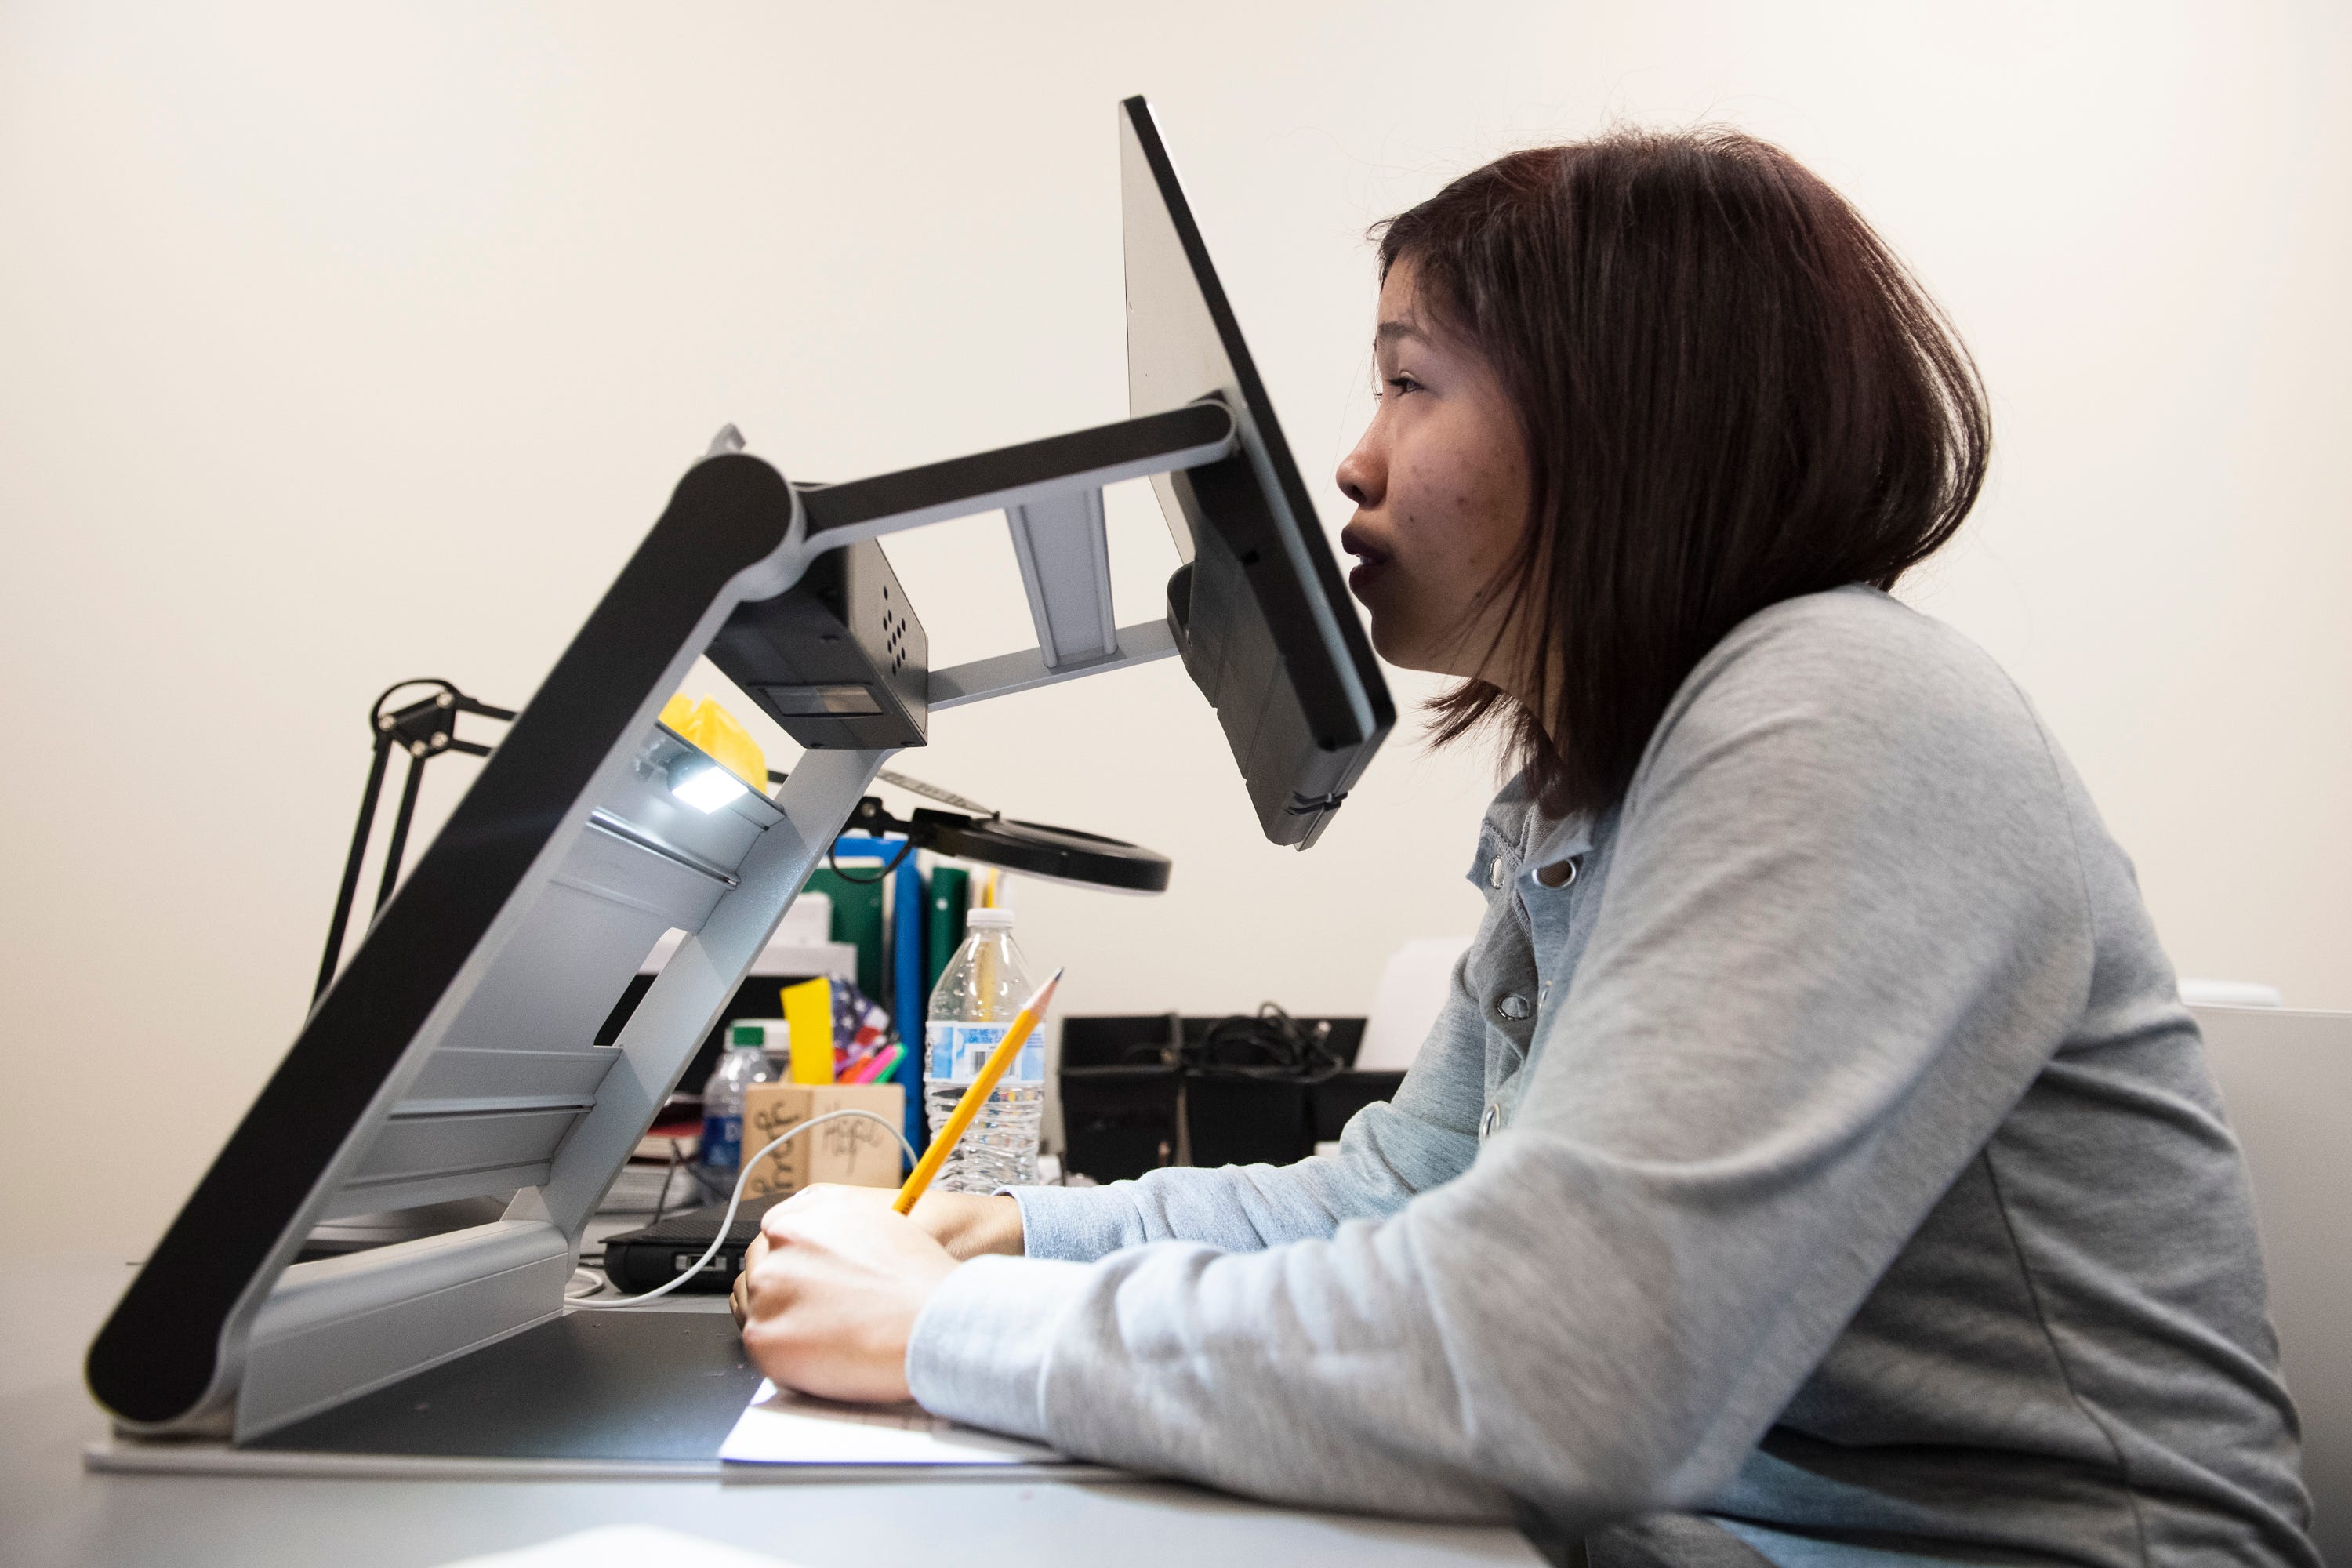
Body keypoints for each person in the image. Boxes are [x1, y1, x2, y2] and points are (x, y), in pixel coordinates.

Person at [731, 129, 2315, 1566]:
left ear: (1631, 417)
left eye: (1409, 384)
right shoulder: (1602, 782)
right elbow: (1408, 1190)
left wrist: (951, 1328)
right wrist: (1018, 1231)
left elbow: (1567, 1368)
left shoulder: (1847, 712)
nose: (1354, 460)